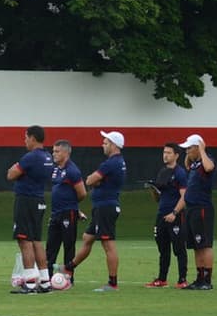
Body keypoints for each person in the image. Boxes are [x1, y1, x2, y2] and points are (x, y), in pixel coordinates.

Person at [62, 131, 127, 292]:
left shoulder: (110, 163)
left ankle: (112, 283)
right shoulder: (117, 162)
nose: (102, 145)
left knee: (108, 244)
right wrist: (97, 181)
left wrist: (95, 181)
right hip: (102, 207)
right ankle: (69, 267)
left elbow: (90, 180)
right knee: (88, 238)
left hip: (106, 206)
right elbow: (94, 180)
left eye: (105, 143)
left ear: (113, 145)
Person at [7, 125, 55, 293]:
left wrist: (14, 169)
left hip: (26, 200)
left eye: (26, 137)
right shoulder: (48, 157)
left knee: (24, 240)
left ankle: (29, 282)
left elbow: (11, 175)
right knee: (36, 240)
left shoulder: (30, 157)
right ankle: (45, 281)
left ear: (33, 138)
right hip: (39, 199)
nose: (25, 140)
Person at [171, 134, 216, 290]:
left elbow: (210, 167)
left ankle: (207, 280)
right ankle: (199, 278)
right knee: (196, 245)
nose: (187, 151)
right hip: (191, 209)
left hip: (202, 208)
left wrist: (202, 150)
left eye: (190, 148)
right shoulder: (195, 165)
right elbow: (189, 165)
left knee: (205, 244)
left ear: (198, 148)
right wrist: (189, 157)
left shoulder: (206, 161)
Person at [144, 143, 189, 288]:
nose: (165, 155)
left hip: (175, 216)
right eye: (164, 152)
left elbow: (184, 196)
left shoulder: (180, 173)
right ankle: (162, 279)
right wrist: (153, 190)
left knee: (179, 248)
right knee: (163, 249)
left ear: (176, 155)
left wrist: (174, 213)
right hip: (161, 214)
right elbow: (159, 197)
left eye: (169, 152)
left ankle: (182, 279)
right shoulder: (163, 172)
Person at [45, 140, 86, 277]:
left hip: (68, 213)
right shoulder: (56, 169)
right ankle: (48, 277)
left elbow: (82, 193)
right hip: (55, 213)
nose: (53, 154)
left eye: (57, 151)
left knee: (68, 245)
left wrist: (73, 207)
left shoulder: (72, 171)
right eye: (53, 151)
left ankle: (68, 277)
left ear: (66, 152)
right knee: (51, 246)